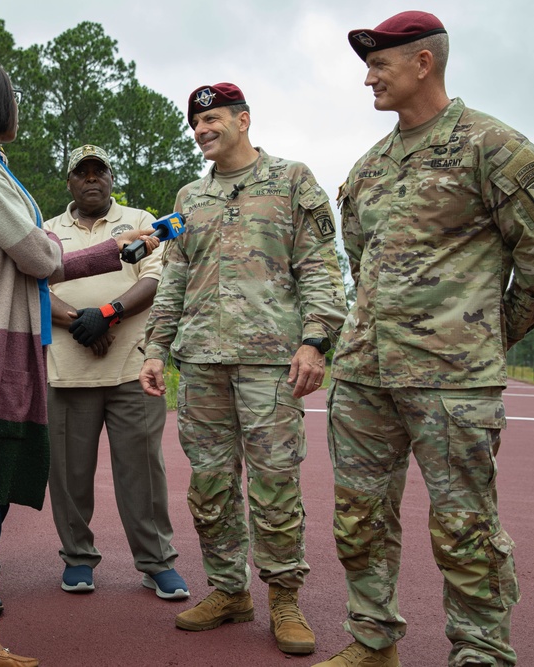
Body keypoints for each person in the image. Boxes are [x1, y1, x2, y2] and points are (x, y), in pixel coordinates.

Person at [314, 12, 534, 667]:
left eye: (380, 63)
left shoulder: (494, 147)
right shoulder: (368, 166)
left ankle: (481, 650)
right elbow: (361, 257)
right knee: (358, 518)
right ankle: (374, 641)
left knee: (465, 526)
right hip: (365, 377)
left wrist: (485, 335)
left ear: (423, 64)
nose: (368, 77)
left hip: (451, 382)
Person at [0, 55, 157, 667]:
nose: (17, 106)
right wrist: (111, 251)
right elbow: (38, 256)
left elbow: (35, 256)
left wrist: (112, 251)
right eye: (10, 95)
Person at [139, 82, 348, 656]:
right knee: (209, 486)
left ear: (244, 120)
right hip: (202, 362)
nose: (203, 129)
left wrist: (314, 342)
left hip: (270, 363)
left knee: (275, 485)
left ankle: (284, 597)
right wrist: (155, 348)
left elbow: (320, 268)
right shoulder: (189, 198)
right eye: (196, 123)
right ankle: (230, 590)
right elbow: (174, 278)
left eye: (213, 119)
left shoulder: (291, 180)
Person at [44, 144, 187, 600]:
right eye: (81, 173)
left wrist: (106, 314)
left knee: (142, 472)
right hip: (68, 371)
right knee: (68, 475)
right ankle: (78, 558)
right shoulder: (46, 230)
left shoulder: (140, 221)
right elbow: (31, 285)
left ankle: (156, 562)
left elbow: (156, 277)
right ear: (69, 182)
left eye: (98, 171)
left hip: (131, 368)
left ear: (110, 178)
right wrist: (78, 322)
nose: (91, 179)